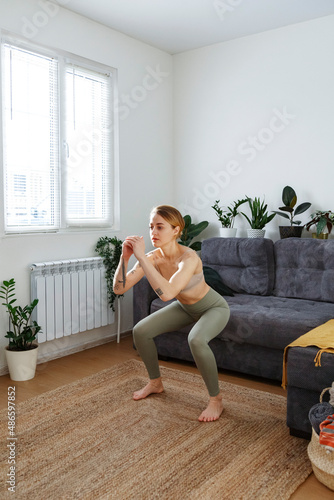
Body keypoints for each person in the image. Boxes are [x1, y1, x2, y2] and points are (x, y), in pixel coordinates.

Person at [113, 205, 230, 422]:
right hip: (186, 308)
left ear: (176, 230)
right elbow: (119, 288)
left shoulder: (189, 258)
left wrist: (143, 258)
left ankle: (216, 399)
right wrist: (126, 258)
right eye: (151, 227)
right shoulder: (153, 258)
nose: (153, 233)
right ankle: (155, 383)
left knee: (196, 339)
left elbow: (167, 294)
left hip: (213, 308)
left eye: (160, 227)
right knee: (141, 331)